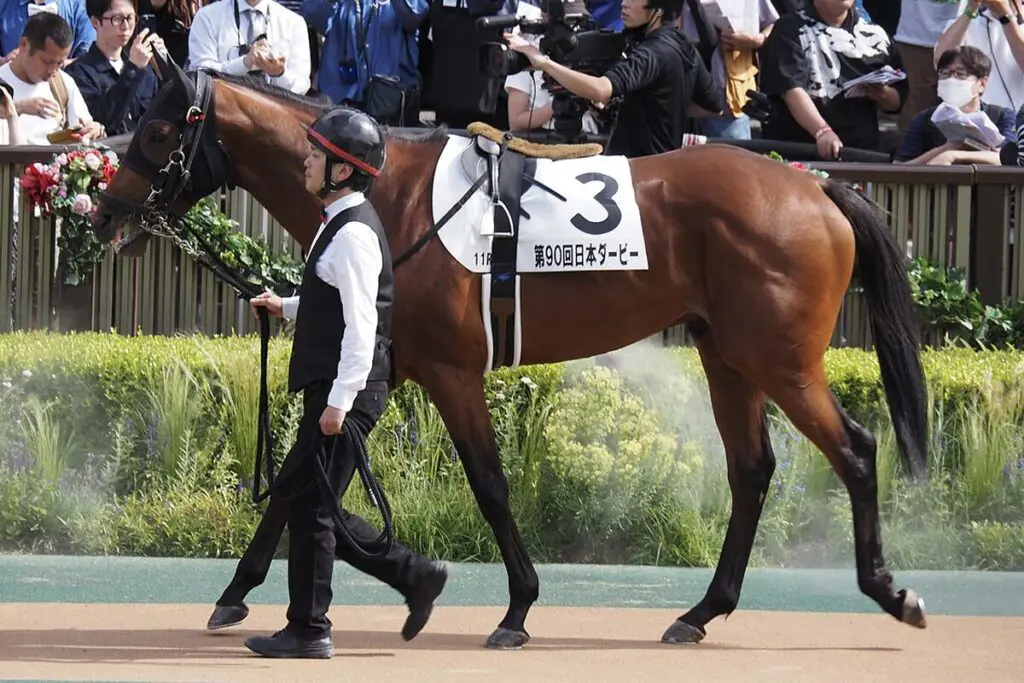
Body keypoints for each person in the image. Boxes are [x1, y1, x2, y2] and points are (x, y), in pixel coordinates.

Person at [224, 107, 446, 659]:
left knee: (314, 510)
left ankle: (311, 628)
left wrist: (340, 401)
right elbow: (336, 301)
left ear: (342, 171)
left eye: (318, 154)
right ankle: (412, 576)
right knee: (307, 501)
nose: (307, 160)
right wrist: (288, 306)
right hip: (339, 388)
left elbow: (364, 323)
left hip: (346, 390)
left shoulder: (351, 234)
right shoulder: (342, 222)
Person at [504, 0, 725, 158]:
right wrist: (664, 103)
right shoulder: (684, 46)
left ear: (658, 10)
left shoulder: (651, 53)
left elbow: (601, 89)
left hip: (639, 174)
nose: (624, 4)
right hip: (666, 165)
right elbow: (714, 107)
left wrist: (543, 62)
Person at [895, 45, 1014, 164]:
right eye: (945, 73)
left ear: (982, 83)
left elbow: (1009, 160)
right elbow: (898, 168)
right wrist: (946, 148)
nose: (951, 80)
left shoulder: (1002, 116)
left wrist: (953, 155)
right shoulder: (926, 119)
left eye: (960, 74)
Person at [0, 12, 105, 145]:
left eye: (59, 63)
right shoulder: (2, 80)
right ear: (23, 45)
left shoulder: (63, 84)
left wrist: (93, 129)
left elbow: (83, 125)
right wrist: (17, 108)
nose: (53, 71)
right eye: (47, 61)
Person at [66, 0, 163, 136]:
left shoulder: (144, 68)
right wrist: (133, 70)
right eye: (117, 19)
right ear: (95, 21)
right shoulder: (79, 73)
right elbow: (103, 120)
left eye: (130, 18)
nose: (125, 26)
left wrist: (163, 66)